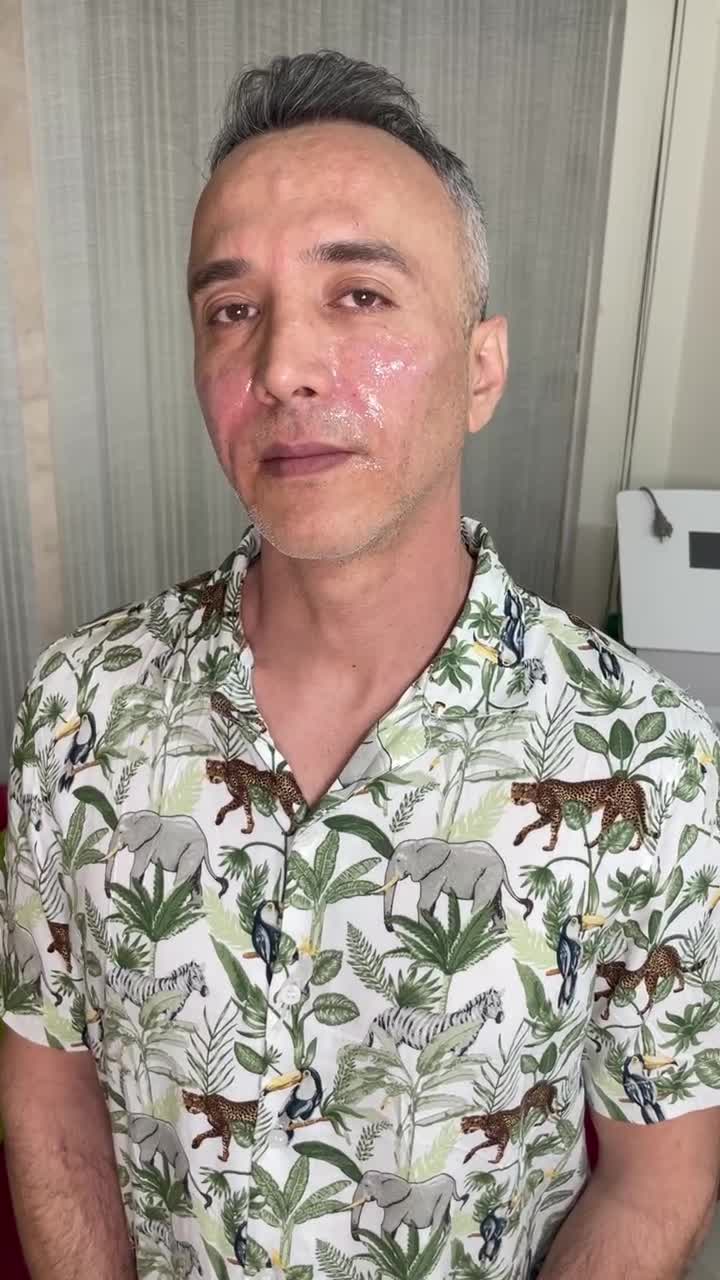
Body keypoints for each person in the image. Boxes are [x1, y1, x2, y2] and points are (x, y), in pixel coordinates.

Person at [1, 49, 719, 1280]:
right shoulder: (79, 707)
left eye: (361, 295)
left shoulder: (651, 761)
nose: (282, 364)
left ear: (481, 367)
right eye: (232, 309)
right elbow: (51, 1089)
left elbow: (657, 1178)